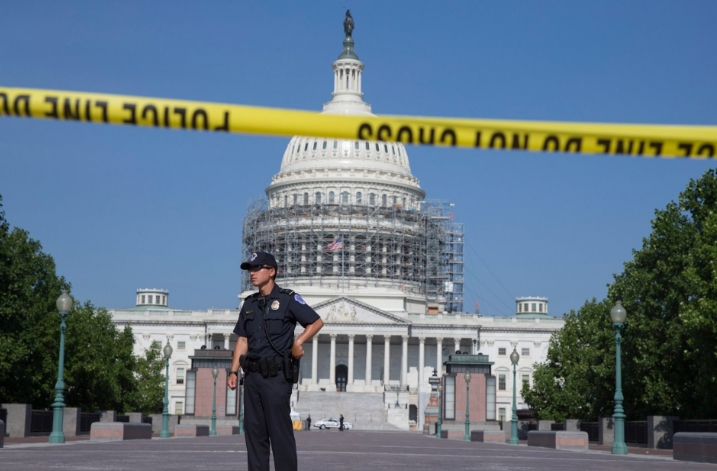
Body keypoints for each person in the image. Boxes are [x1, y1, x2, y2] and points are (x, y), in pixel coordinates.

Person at [227, 251, 324, 471]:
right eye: (250, 269)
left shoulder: (288, 299)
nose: (252, 273)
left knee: (280, 434)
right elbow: (243, 339)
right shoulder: (249, 304)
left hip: (276, 377)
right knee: (254, 434)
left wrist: (298, 342)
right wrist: (233, 371)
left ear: (272, 271)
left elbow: (316, 321)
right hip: (251, 377)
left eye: (257, 268)